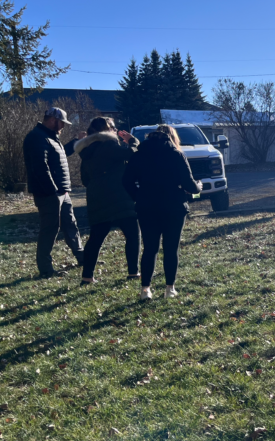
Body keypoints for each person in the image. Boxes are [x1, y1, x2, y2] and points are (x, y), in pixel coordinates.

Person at [122, 124, 202, 300]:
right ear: (172, 138)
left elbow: (126, 181)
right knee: (171, 248)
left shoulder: (139, 155)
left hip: (146, 207)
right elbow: (190, 185)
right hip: (174, 206)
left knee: (150, 248)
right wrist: (199, 186)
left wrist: (139, 197)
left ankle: (145, 290)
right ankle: (169, 288)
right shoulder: (176, 155)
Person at [76, 117, 141, 286]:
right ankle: (133, 272)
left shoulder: (86, 151)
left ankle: (87, 277)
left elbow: (84, 179)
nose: (115, 130)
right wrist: (132, 141)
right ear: (106, 130)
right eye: (113, 127)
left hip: (97, 198)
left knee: (96, 238)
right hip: (119, 197)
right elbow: (132, 155)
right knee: (133, 234)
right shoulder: (109, 145)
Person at [23, 107, 86, 278]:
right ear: (52, 120)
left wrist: (76, 142)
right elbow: (40, 167)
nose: (63, 127)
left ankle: (82, 257)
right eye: (62, 123)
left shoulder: (50, 138)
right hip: (49, 193)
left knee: (70, 224)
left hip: (61, 192)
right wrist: (52, 191)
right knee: (50, 229)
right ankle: (46, 269)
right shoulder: (37, 138)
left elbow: (61, 154)